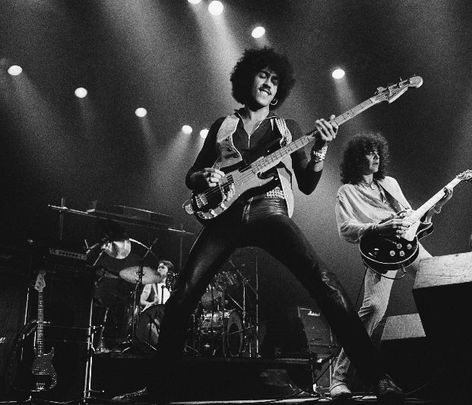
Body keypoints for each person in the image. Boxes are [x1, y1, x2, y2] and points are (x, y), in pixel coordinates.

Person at [114, 47, 404, 403]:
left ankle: (378, 378)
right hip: (225, 217)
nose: (268, 83)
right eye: (262, 75)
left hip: (270, 210)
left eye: (274, 79)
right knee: (180, 298)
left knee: (325, 282)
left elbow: (308, 184)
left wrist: (320, 150)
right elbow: (192, 175)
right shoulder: (223, 126)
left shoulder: (288, 128)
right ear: (246, 79)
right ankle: (156, 391)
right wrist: (204, 175)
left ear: (279, 90)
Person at [329, 132, 452, 399]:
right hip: (381, 253)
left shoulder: (390, 183)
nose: (375, 156)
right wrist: (378, 227)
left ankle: (454, 365)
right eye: (369, 152)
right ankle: (338, 378)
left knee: (446, 284)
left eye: (377, 152)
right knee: (373, 308)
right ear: (355, 158)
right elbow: (345, 230)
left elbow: (412, 219)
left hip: (409, 248)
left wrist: (436, 206)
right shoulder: (346, 192)